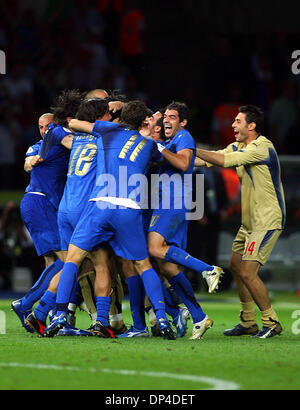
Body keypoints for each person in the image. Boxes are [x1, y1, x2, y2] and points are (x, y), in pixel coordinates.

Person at [44, 100, 176, 340]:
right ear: (144, 122)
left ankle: (60, 315)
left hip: (99, 205)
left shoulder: (106, 129)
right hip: (128, 208)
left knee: (73, 260)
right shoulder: (151, 145)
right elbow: (175, 162)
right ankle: (163, 319)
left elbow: (73, 122)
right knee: (142, 265)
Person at [195, 104, 285, 339]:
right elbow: (209, 160)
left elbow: (224, 161)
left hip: (267, 218)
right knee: (236, 265)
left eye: (237, 121)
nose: (232, 125)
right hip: (250, 222)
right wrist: (172, 155)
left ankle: (271, 321)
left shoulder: (262, 147)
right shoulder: (237, 146)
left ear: (251, 125)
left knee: (248, 272)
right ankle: (248, 321)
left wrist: (190, 148)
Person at [147, 101, 224, 340]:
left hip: (172, 203)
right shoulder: (171, 143)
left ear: (183, 122)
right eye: (166, 116)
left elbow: (181, 162)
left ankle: (208, 269)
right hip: (172, 204)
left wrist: (159, 149)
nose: (167, 120)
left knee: (152, 248)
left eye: (173, 117)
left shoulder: (184, 137)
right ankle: (199, 317)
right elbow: (188, 162)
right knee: (168, 266)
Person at [11, 106, 75, 333]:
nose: (44, 130)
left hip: (41, 206)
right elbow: (28, 162)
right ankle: (28, 304)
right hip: (40, 203)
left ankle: (45, 316)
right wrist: (32, 161)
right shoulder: (40, 146)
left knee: (53, 264)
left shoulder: (55, 144)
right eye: (40, 127)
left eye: (48, 126)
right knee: (70, 262)